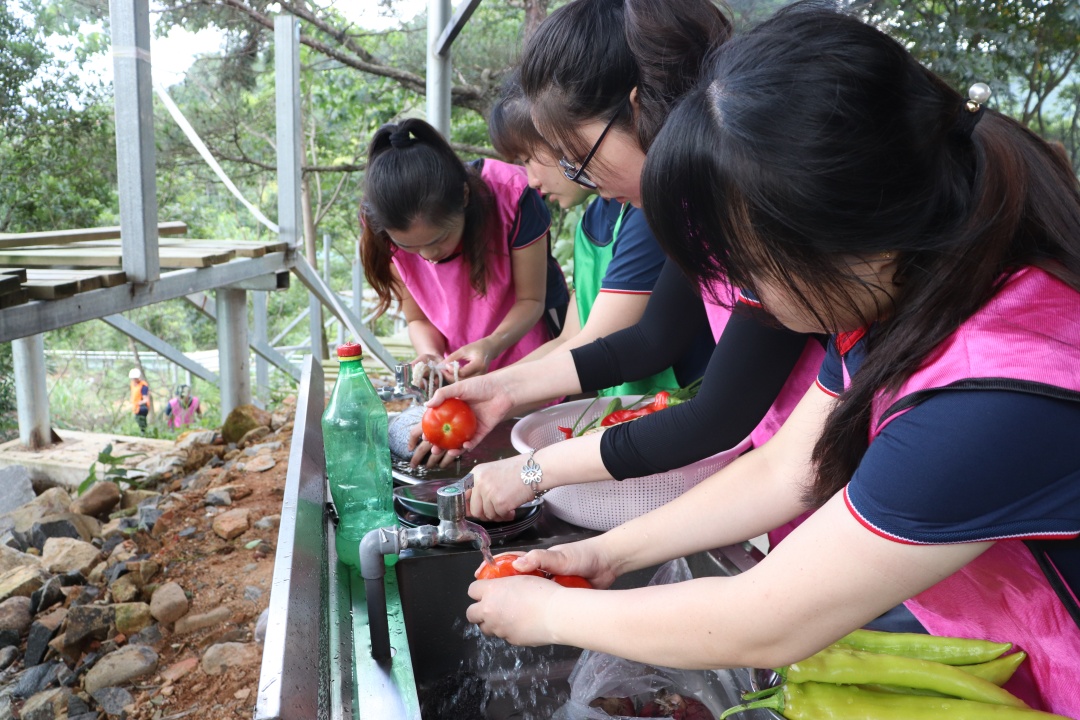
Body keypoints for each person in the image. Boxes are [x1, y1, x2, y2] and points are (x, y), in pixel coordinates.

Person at [465, 4, 1080, 715]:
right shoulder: (901, 299)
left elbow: (765, 620)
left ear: (830, 233)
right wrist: (605, 555)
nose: (744, 296)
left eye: (748, 268)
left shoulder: (989, 394)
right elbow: (788, 467)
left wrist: (552, 613)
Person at [420, 0, 823, 523]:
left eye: (578, 158)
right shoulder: (691, 212)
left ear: (638, 108)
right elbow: (651, 340)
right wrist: (501, 390)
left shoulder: (755, 212)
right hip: (782, 477)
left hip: (823, 479)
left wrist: (535, 471)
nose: (585, 181)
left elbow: (717, 415)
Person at [360, 118, 569, 384]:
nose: (427, 255)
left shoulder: (513, 196)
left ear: (465, 196)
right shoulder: (382, 225)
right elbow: (418, 319)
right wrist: (431, 355)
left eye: (439, 239)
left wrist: (492, 344)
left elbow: (531, 301)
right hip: (464, 367)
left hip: (535, 347)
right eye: (408, 247)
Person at [128, 368, 150, 434]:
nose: (134, 380)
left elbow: (145, 399)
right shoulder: (132, 385)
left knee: (141, 421)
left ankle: (143, 432)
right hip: (135, 407)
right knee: (137, 420)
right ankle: (142, 432)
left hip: (142, 407)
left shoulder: (143, 386)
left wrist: (139, 403)